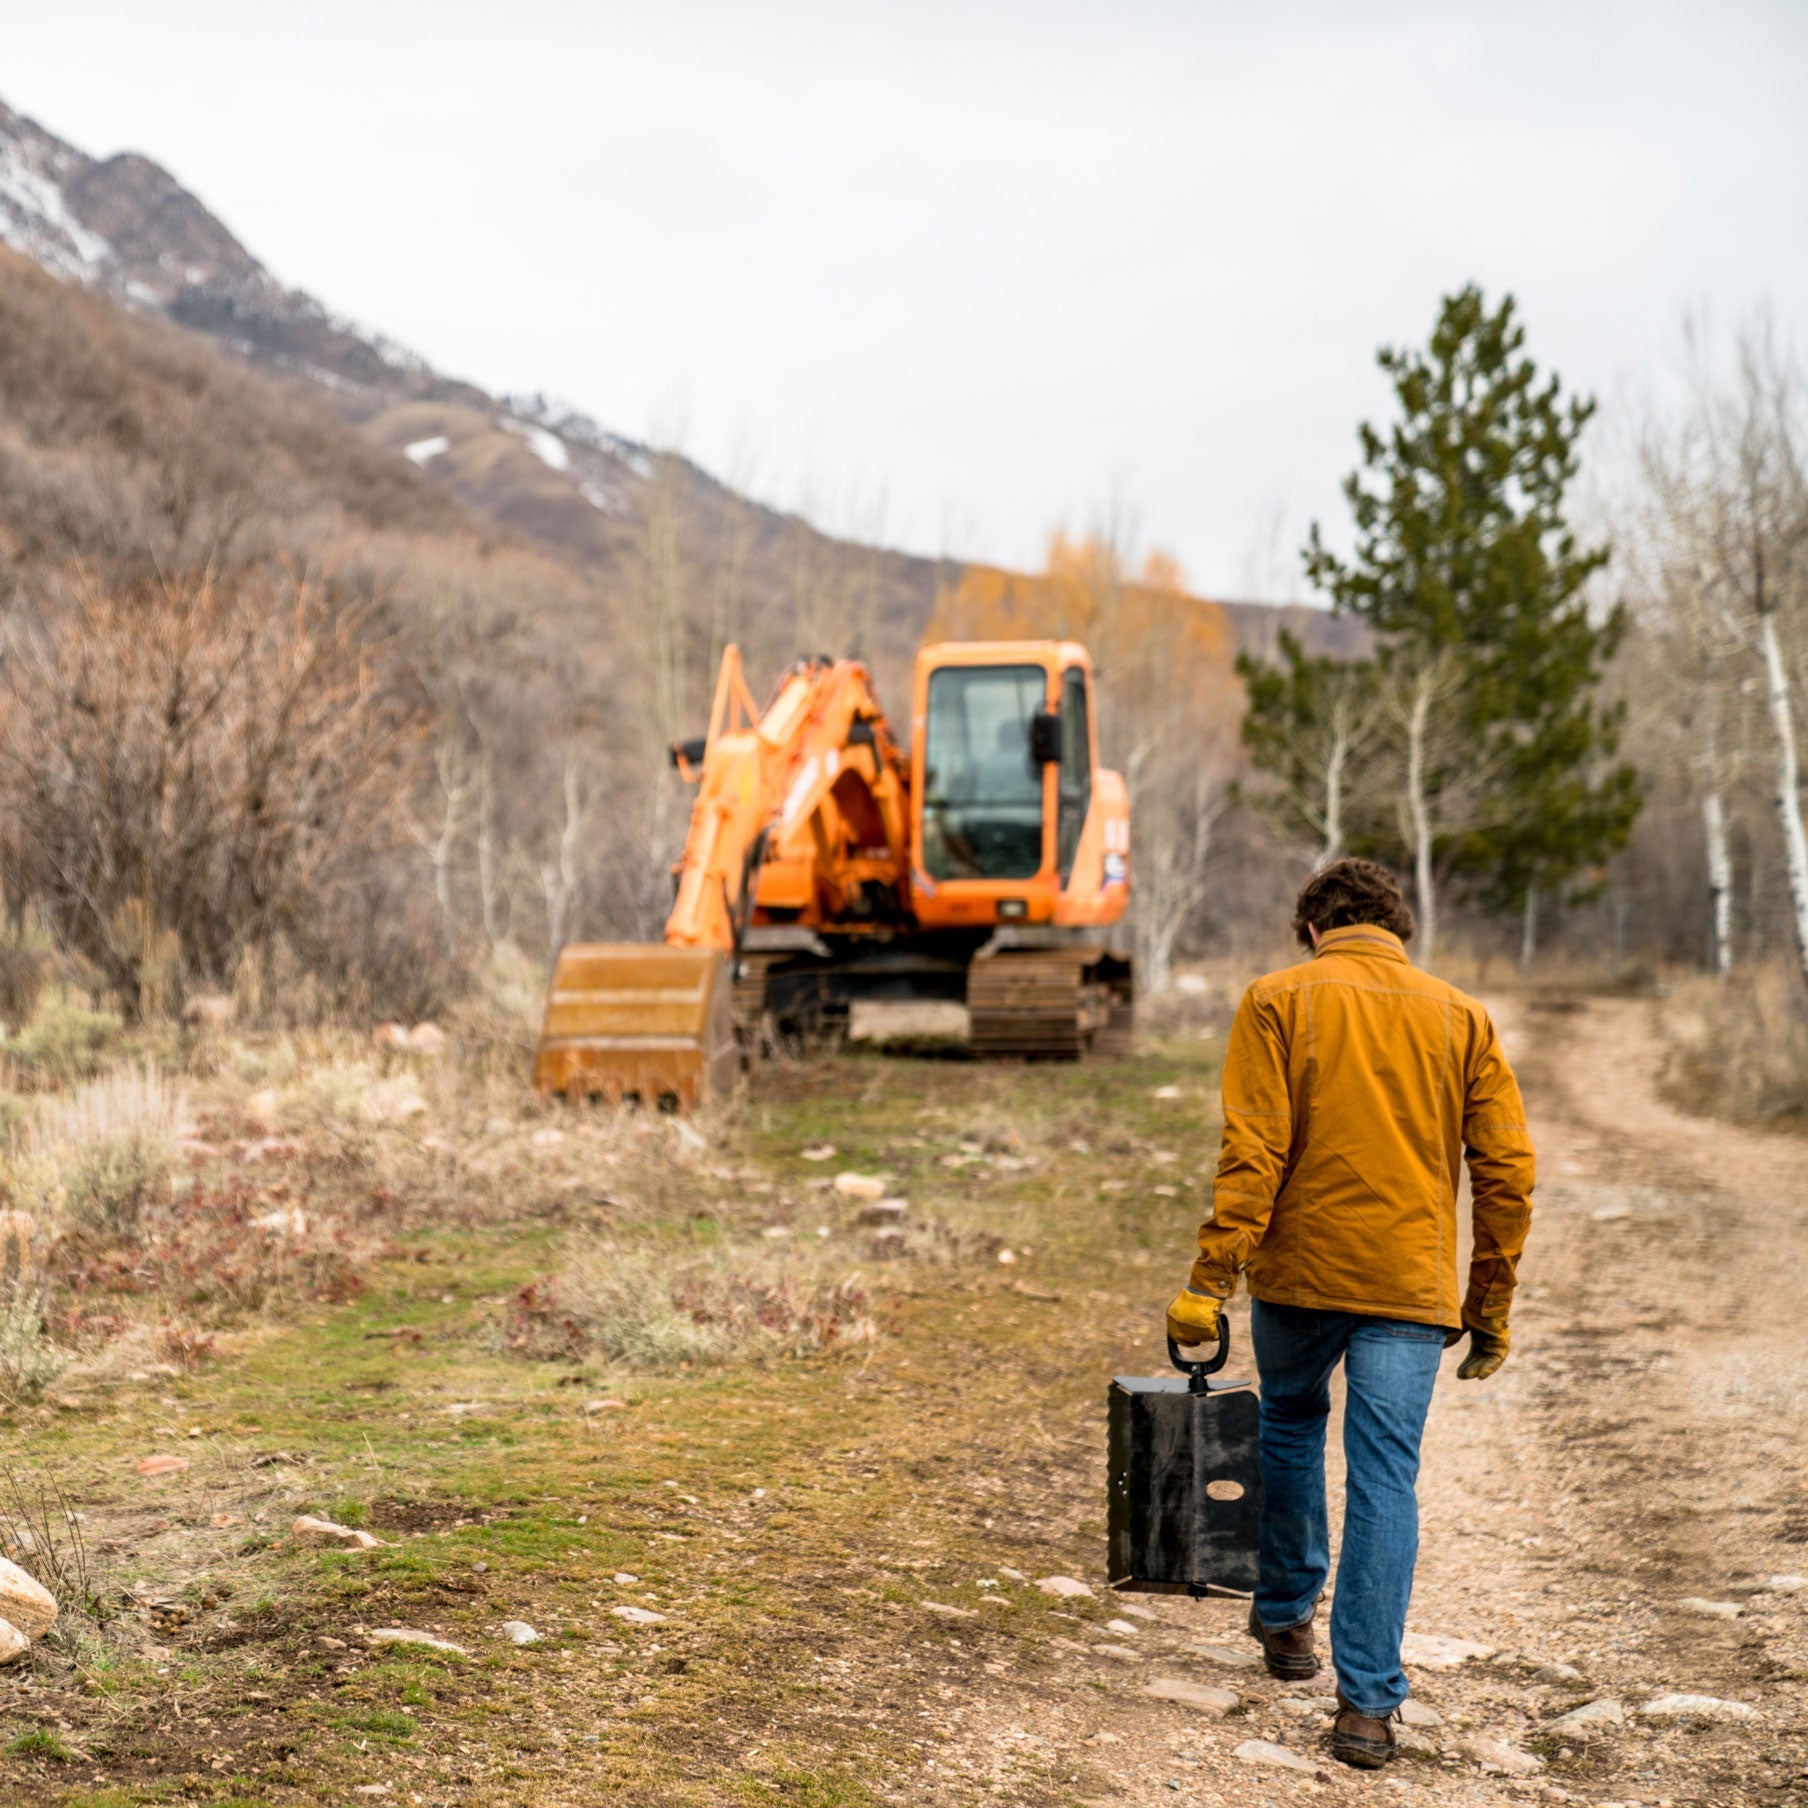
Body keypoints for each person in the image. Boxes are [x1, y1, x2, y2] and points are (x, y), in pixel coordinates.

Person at [1165, 858, 1534, 1769]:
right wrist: (1488, 1302)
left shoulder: (1276, 999)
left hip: (1296, 1278)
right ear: (1397, 930)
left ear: (1313, 929)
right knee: (1385, 1478)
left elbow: (1253, 1149)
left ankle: (1288, 1619)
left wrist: (1210, 1278)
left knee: (1289, 1425)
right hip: (1408, 1289)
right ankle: (1366, 1708)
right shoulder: (1462, 1016)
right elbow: (1508, 1173)